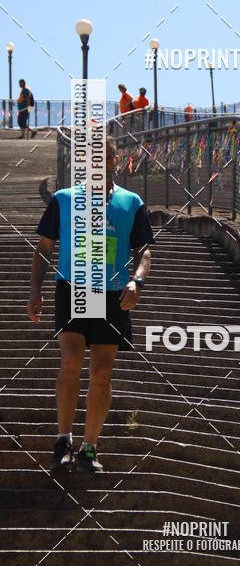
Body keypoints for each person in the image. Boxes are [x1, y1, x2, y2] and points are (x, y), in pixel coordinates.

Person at [27, 136, 155, 474]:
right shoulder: (64, 200)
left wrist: (136, 280)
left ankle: (89, 447)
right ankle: (63, 439)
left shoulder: (131, 202)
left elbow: (144, 250)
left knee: (102, 374)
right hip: (72, 288)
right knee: (71, 361)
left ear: (116, 160)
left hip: (113, 294)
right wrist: (34, 289)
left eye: (107, 157)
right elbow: (43, 248)